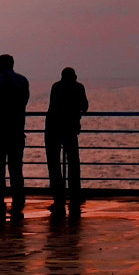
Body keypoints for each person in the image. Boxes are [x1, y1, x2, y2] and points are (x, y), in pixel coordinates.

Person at [0, 54, 29, 214]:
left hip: (1, 131)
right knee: (16, 168)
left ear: (3, 65)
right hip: (17, 130)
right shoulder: (23, 80)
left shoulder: (0, 80)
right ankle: (18, 197)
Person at [45, 67, 88, 213]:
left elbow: (52, 107)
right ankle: (75, 195)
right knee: (73, 163)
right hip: (70, 129)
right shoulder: (78, 88)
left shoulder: (56, 87)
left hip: (53, 128)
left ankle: (58, 197)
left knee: (54, 164)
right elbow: (85, 106)